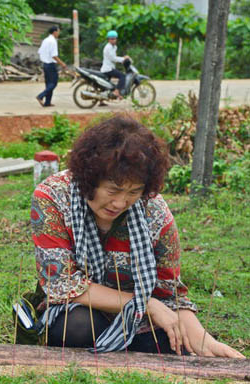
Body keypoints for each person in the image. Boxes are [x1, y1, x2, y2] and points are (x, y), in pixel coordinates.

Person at [30, 115, 245, 358]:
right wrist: (145, 304)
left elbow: (170, 294)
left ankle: (124, 348)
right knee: (74, 328)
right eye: (113, 190)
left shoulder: (155, 213)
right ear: (89, 179)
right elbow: (62, 283)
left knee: (175, 342)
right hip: (82, 310)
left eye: (134, 192)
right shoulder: (53, 198)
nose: (120, 202)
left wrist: (204, 341)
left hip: (141, 319)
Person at [36, 26, 68, 108]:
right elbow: (54, 55)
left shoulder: (45, 40)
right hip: (50, 64)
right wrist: (62, 63)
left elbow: (40, 51)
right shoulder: (53, 41)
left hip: (45, 64)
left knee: (48, 83)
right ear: (54, 32)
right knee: (54, 83)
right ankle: (40, 96)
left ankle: (47, 102)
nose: (59, 33)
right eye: (58, 31)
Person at [100, 30, 130, 100]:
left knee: (107, 85)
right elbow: (113, 58)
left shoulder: (114, 47)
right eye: (112, 39)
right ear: (108, 39)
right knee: (122, 76)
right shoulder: (108, 47)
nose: (113, 40)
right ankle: (116, 92)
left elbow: (114, 58)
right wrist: (123, 59)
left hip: (110, 68)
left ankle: (101, 101)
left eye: (114, 38)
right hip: (108, 69)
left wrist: (121, 61)